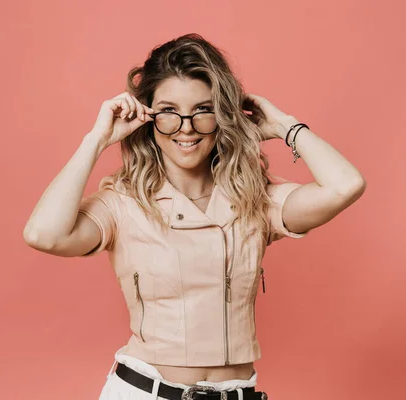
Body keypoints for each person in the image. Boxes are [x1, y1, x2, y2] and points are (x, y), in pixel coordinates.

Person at [23, 33, 366, 400]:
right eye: (169, 112)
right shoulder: (123, 203)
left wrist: (284, 125)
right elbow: (44, 234)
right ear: (148, 117)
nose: (186, 127)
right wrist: (96, 139)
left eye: (202, 110)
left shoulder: (254, 199)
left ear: (222, 116)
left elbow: (345, 185)